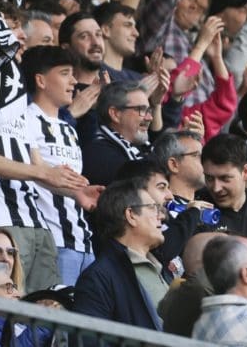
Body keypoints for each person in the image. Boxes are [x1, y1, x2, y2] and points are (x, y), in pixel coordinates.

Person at [20, 46, 98, 285]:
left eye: (73, 74)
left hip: (84, 244)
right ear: (41, 80)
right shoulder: (25, 119)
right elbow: (33, 172)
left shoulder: (68, 128)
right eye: (65, 73)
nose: (74, 81)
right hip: (53, 244)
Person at [72, 177, 164, 331]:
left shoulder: (161, 269)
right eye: (152, 207)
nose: (161, 216)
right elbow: (89, 339)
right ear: (131, 215)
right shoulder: (98, 278)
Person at [83, 81, 155, 187]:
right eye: (142, 110)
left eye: (149, 110)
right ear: (115, 114)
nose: (150, 118)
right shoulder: (100, 154)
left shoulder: (143, 148)